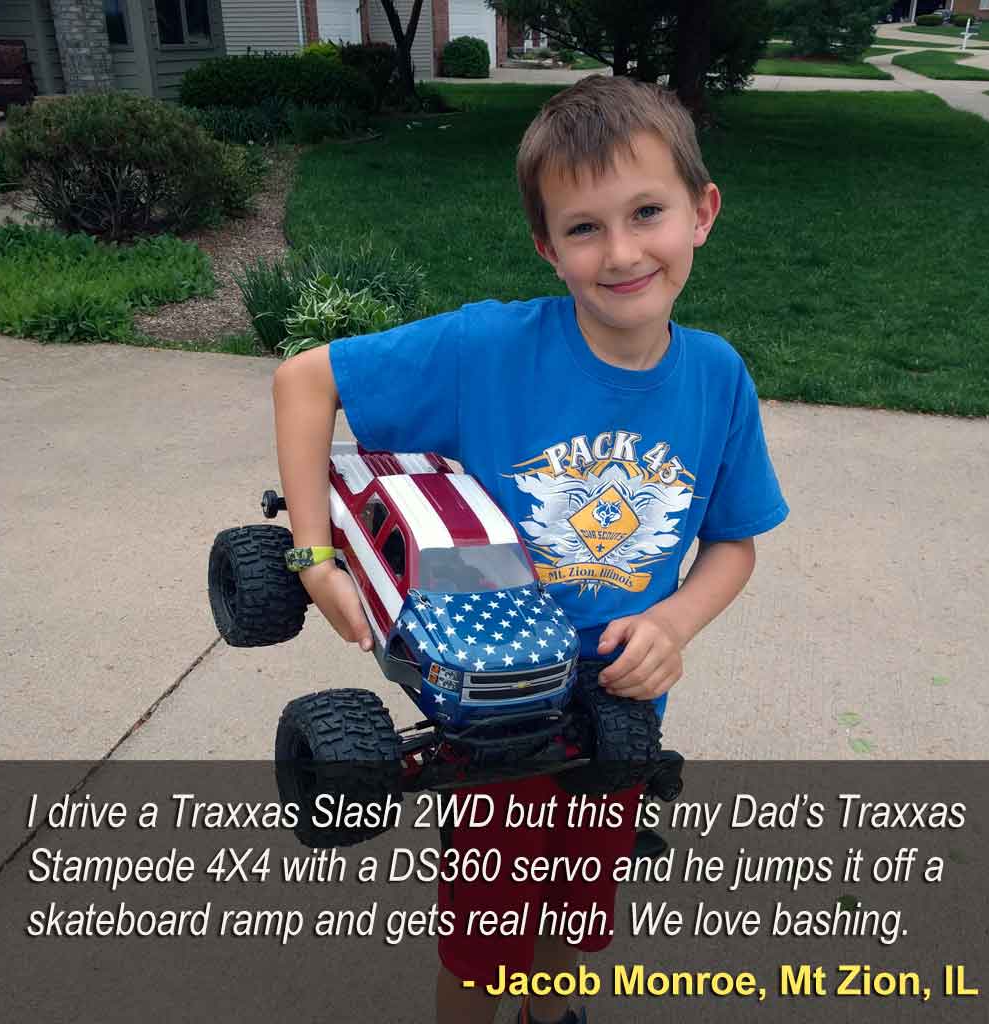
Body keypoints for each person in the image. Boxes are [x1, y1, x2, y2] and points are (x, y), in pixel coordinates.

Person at [272, 75, 788, 1024]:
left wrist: (673, 621)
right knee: (482, 949)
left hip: (620, 709)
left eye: (647, 213)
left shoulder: (718, 376)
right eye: (584, 228)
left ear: (702, 212)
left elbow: (732, 544)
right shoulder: (489, 348)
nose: (623, 252)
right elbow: (306, 382)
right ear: (547, 246)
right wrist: (314, 557)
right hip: (493, 721)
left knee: (580, 921)